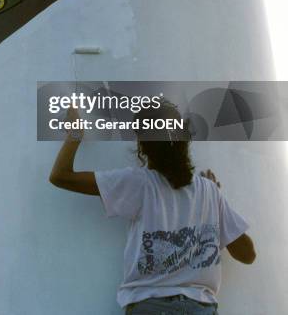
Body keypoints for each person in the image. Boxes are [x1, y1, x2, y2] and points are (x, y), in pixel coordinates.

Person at [49, 103, 256, 314]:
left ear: (143, 148)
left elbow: (60, 176)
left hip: (150, 306)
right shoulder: (209, 191)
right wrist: (214, 204)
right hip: (199, 308)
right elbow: (248, 255)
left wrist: (75, 133)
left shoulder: (139, 183)